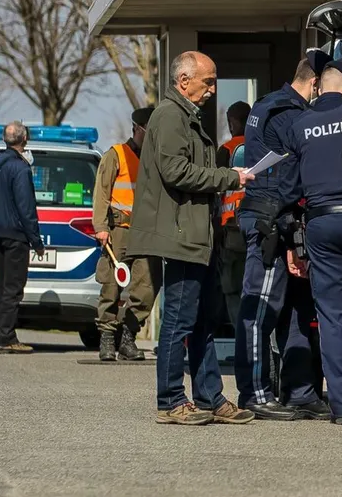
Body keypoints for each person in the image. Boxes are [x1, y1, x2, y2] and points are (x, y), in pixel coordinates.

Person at [127, 50, 254, 426]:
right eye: (208, 81)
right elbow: (176, 171)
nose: (213, 89)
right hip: (180, 234)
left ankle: (209, 397)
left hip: (198, 233)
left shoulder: (186, 117)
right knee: (180, 320)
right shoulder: (169, 116)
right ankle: (170, 401)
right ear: (184, 81)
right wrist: (230, 176)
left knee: (202, 320)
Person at [235, 59, 330, 422]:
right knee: (261, 309)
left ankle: (300, 393)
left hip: (275, 216)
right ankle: (255, 393)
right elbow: (299, 169)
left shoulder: (269, 104)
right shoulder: (290, 113)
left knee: (294, 310)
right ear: (316, 83)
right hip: (272, 220)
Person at [288, 60, 342, 426]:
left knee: (332, 318)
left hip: (319, 223)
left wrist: (292, 239)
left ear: (320, 87)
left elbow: (289, 185)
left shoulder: (300, 124)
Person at [92, 106, 161, 362]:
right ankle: (107, 337)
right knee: (111, 285)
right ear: (137, 128)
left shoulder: (155, 159)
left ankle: (128, 334)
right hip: (118, 230)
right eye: (148, 131)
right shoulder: (116, 155)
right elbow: (102, 192)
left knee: (148, 285)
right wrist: (100, 227)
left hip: (147, 233)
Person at [0, 121, 43, 355]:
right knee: (13, 288)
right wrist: (36, 241)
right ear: (24, 139)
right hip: (15, 236)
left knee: (2, 286)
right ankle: (6, 338)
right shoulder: (21, 168)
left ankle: (4, 334)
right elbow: (26, 209)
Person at [217, 101, 251, 328]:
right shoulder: (261, 146)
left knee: (231, 288)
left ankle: (241, 342)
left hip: (231, 229)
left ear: (235, 122)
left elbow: (215, 189)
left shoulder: (227, 150)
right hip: (255, 226)